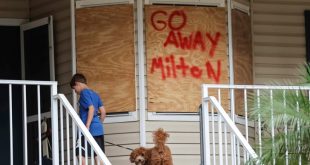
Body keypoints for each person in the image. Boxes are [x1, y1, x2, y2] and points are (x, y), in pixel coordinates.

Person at [70, 73, 106, 165]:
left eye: (74, 89)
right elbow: (103, 112)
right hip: (98, 129)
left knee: (79, 152)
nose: (75, 92)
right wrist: (98, 124)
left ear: (77, 83)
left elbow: (91, 108)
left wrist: (87, 125)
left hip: (87, 129)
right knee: (97, 154)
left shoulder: (84, 93)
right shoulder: (95, 94)